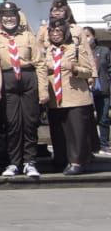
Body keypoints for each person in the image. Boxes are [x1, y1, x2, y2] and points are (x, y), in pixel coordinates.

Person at [0, 2, 42, 179]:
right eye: (5, 16)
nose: (9, 19)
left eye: (12, 15)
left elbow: (39, 62)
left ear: (18, 18)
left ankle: (30, 162)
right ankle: (13, 162)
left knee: (29, 122)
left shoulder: (27, 36)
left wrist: (43, 90)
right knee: (12, 123)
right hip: (7, 78)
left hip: (27, 78)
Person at [37, 19, 96, 174]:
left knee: (77, 132)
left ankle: (77, 162)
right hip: (55, 98)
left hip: (75, 96)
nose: (55, 35)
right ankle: (61, 159)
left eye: (59, 32)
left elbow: (88, 70)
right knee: (58, 132)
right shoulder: (46, 51)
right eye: (52, 32)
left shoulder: (76, 48)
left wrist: (74, 68)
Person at [92, 28, 111, 153]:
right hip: (87, 91)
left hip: (103, 88)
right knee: (88, 119)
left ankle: (104, 143)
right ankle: (92, 144)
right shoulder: (79, 52)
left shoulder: (104, 51)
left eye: (89, 36)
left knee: (103, 117)